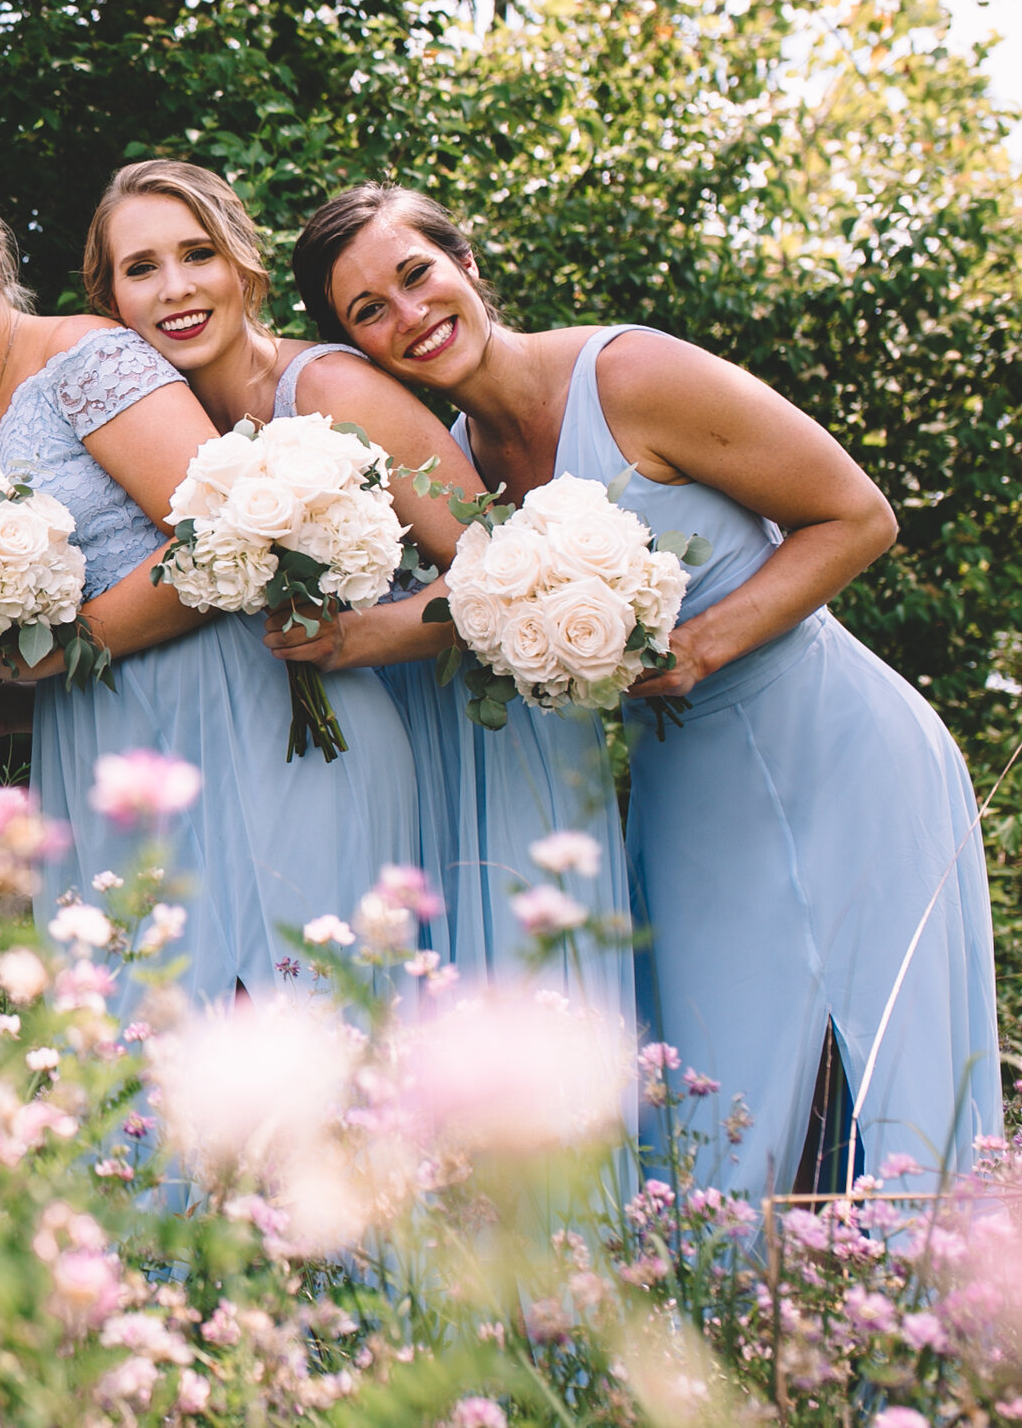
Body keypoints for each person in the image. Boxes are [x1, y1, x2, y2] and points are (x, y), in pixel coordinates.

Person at [292, 181, 998, 1192]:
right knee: (716, 1079)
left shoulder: (630, 374)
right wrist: (338, 637)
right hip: (684, 790)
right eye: (369, 311)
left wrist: (705, 643)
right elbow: (465, 614)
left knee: (875, 1066)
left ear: (464, 264)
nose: (409, 314)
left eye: (417, 274)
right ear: (356, 349)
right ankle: (757, 1321)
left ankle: (899, 1315)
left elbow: (857, 515)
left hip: (838, 753)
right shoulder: (457, 468)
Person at [0, 154, 414, 1004]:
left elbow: (221, 542)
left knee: (287, 1023)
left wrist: (56, 653)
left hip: (239, 713)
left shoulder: (84, 356)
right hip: (100, 740)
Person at [85, 160, 627, 1013]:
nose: (175, 288)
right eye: (141, 268)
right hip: (364, 744)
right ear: (110, 301)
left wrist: (362, 638)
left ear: (244, 265)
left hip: (470, 728)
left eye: (198, 254)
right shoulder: (168, 432)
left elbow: (500, 564)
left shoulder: (329, 387)